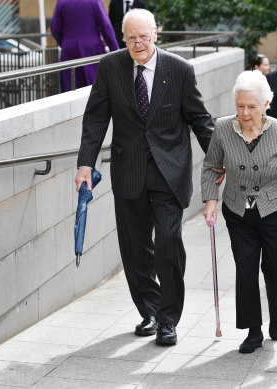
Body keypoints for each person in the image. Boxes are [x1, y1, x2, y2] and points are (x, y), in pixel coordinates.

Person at [75, 9, 214, 346]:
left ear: (157, 33)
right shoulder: (111, 67)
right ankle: (149, 310)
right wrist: (84, 165)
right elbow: (95, 119)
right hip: (129, 170)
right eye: (130, 37)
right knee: (135, 249)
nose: (137, 43)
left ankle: (169, 319)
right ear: (124, 38)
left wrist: (221, 157)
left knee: (168, 243)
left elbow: (199, 119)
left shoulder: (179, 70)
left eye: (143, 36)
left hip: (170, 171)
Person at [202, 70, 277, 354]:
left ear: (266, 104)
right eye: (240, 106)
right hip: (238, 211)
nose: (245, 113)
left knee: (275, 270)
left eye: (252, 106)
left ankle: (276, 311)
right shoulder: (223, 128)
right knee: (246, 269)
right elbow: (211, 166)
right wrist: (210, 199)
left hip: (276, 208)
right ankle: (253, 331)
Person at [51, 0, 119, 92]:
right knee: (94, 89)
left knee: (69, 89)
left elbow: (55, 28)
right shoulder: (95, 1)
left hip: (69, 50)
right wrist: (115, 49)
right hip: (91, 50)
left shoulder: (62, 1)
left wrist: (65, 43)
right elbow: (106, 27)